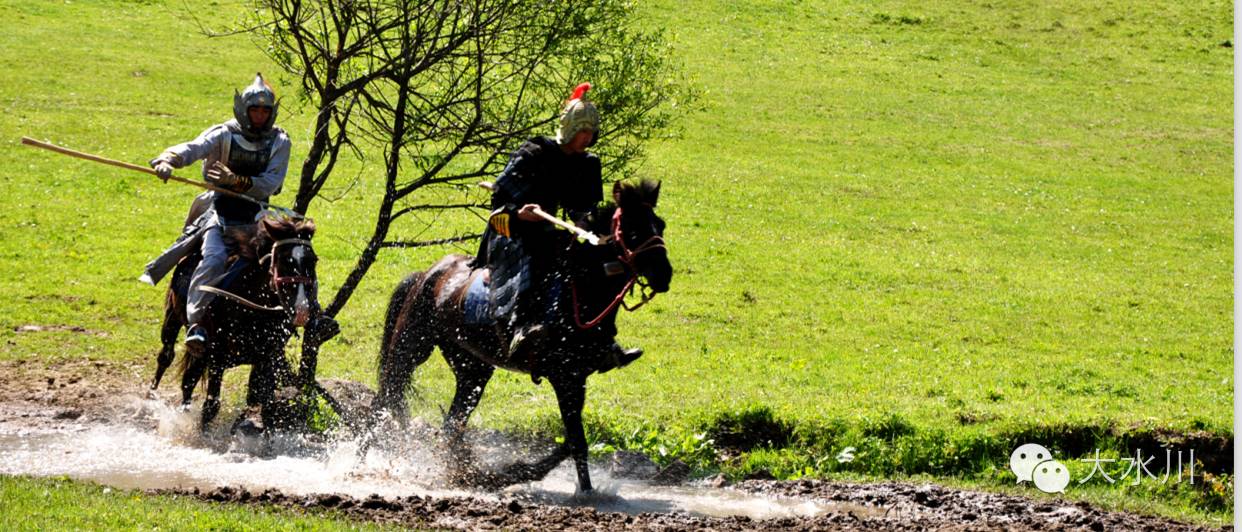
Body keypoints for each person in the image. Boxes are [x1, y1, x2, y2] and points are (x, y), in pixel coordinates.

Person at [481, 82, 640, 371]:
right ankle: (521, 328)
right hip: (512, 232)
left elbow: (585, 207)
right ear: (569, 129)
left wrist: (583, 222)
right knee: (540, 254)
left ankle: (603, 340)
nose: (587, 138)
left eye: (591, 133)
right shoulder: (533, 153)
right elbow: (498, 204)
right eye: (582, 131)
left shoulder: (589, 164)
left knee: (596, 265)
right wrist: (521, 215)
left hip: (554, 233)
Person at [141, 73, 292, 355]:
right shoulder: (224, 133)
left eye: (265, 111)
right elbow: (194, 148)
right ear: (243, 109)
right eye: (254, 110)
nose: (259, 116)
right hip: (221, 216)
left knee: (293, 256)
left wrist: (235, 180)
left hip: (257, 220)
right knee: (213, 260)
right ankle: (196, 324)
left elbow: (271, 183)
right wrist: (167, 159)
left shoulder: (280, 141)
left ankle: (306, 316)